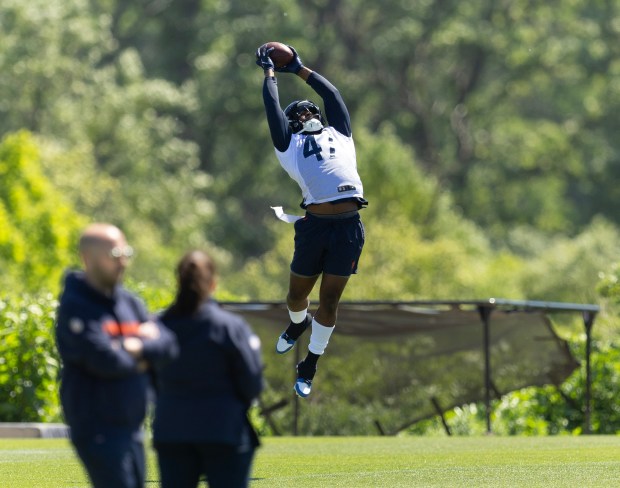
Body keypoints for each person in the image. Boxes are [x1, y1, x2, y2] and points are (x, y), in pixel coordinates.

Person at [256, 44, 367, 397]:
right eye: (299, 116)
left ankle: (310, 365)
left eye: (308, 110)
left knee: (330, 301)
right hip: (315, 227)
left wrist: (300, 68)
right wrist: (269, 73)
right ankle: (296, 324)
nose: (305, 116)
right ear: (292, 125)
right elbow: (272, 108)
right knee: (295, 297)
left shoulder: (341, 134)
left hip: (349, 226)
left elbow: (331, 93)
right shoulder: (288, 147)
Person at [55, 223, 178, 488]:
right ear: (88, 259)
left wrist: (129, 347)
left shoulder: (129, 302)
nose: (122, 262)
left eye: (126, 253)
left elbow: (167, 344)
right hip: (97, 428)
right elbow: (104, 360)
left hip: (131, 427)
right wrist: (144, 352)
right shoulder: (77, 306)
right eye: (114, 256)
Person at [153, 250, 263, 488]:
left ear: (178, 281)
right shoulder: (229, 327)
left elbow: (146, 375)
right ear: (213, 283)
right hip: (223, 427)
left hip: (172, 429)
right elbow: (252, 381)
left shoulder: (158, 326)